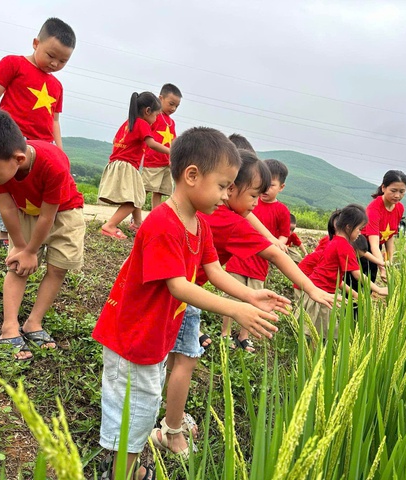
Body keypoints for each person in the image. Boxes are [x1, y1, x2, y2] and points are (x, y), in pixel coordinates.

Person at [91, 127, 287, 479]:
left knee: (144, 403)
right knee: (131, 410)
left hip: (153, 336)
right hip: (131, 338)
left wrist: (247, 294)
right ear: (192, 175)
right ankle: (118, 471)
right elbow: (179, 286)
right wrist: (234, 308)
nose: (227, 196)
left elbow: (212, 270)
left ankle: (128, 465)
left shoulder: (199, 224)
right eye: (223, 185)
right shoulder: (163, 223)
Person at [158, 149, 334, 456]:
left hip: (180, 292)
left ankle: (171, 413)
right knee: (186, 361)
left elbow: (220, 265)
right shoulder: (228, 221)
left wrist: (248, 296)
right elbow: (274, 252)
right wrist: (311, 289)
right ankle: (172, 430)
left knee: (174, 359)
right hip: (184, 295)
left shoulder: (215, 213)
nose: (255, 204)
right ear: (230, 188)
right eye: (253, 195)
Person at [0, 106, 86, 362]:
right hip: (25, 210)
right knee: (18, 267)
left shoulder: (54, 163)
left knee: (58, 268)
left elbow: (48, 215)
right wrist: (20, 247)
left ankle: (33, 323)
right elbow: (6, 208)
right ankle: (9, 327)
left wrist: (32, 251)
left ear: (19, 159)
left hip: (64, 211)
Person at [0, 17, 76, 247]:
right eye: (51, 56)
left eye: (62, 60)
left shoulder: (57, 86)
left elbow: (54, 120)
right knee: (3, 181)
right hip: (11, 137)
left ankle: (30, 230)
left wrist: (60, 151)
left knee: (34, 189)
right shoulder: (13, 64)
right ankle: (3, 232)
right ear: (35, 43)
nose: (55, 64)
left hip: (42, 147)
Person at [222, 158, 291, 352]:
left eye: (271, 186)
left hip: (259, 263)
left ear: (281, 187)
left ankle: (244, 336)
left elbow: (284, 235)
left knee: (254, 300)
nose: (265, 191)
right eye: (260, 187)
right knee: (232, 296)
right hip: (238, 259)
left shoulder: (282, 211)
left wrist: (278, 245)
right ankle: (225, 334)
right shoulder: (247, 200)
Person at [295, 205, 387, 339]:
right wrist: (378, 289)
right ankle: (312, 357)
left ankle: (316, 354)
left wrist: (355, 294)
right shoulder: (345, 246)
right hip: (321, 294)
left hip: (319, 291)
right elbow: (357, 274)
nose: (360, 233)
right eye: (359, 229)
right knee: (317, 332)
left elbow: (335, 279)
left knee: (319, 331)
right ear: (349, 227)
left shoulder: (333, 242)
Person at [98, 91, 168, 239]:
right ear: (147, 111)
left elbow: (114, 140)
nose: (155, 120)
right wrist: (171, 151)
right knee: (133, 200)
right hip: (127, 166)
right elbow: (151, 143)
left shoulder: (128, 123)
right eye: (156, 115)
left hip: (117, 163)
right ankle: (109, 226)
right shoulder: (142, 123)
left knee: (137, 195)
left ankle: (137, 224)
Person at [361, 170, 406, 282]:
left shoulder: (399, 208)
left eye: (402, 192)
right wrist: (382, 268)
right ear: (383, 188)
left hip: (377, 247)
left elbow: (390, 236)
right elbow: (373, 245)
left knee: (369, 284)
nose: (397, 195)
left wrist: (389, 263)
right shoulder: (374, 209)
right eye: (393, 190)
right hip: (362, 247)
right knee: (359, 285)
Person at [141, 83, 182, 211]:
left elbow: (173, 141)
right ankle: (134, 217)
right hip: (153, 161)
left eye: (177, 106)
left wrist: (173, 157)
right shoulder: (154, 116)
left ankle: (155, 217)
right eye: (171, 104)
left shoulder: (171, 122)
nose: (174, 108)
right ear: (160, 99)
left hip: (166, 162)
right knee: (145, 189)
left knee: (159, 192)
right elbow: (146, 136)